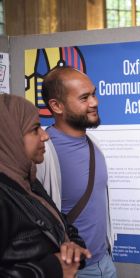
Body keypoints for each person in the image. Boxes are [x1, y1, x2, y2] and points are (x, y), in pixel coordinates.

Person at [36, 66, 117, 277]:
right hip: (72, 270)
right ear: (57, 106)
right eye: (84, 98)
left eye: (94, 94)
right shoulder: (41, 153)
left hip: (105, 262)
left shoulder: (94, 144)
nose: (95, 102)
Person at [0, 93, 91, 277]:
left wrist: (73, 248)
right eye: (35, 129)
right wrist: (53, 268)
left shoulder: (29, 183)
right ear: (8, 136)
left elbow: (62, 224)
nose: (45, 136)